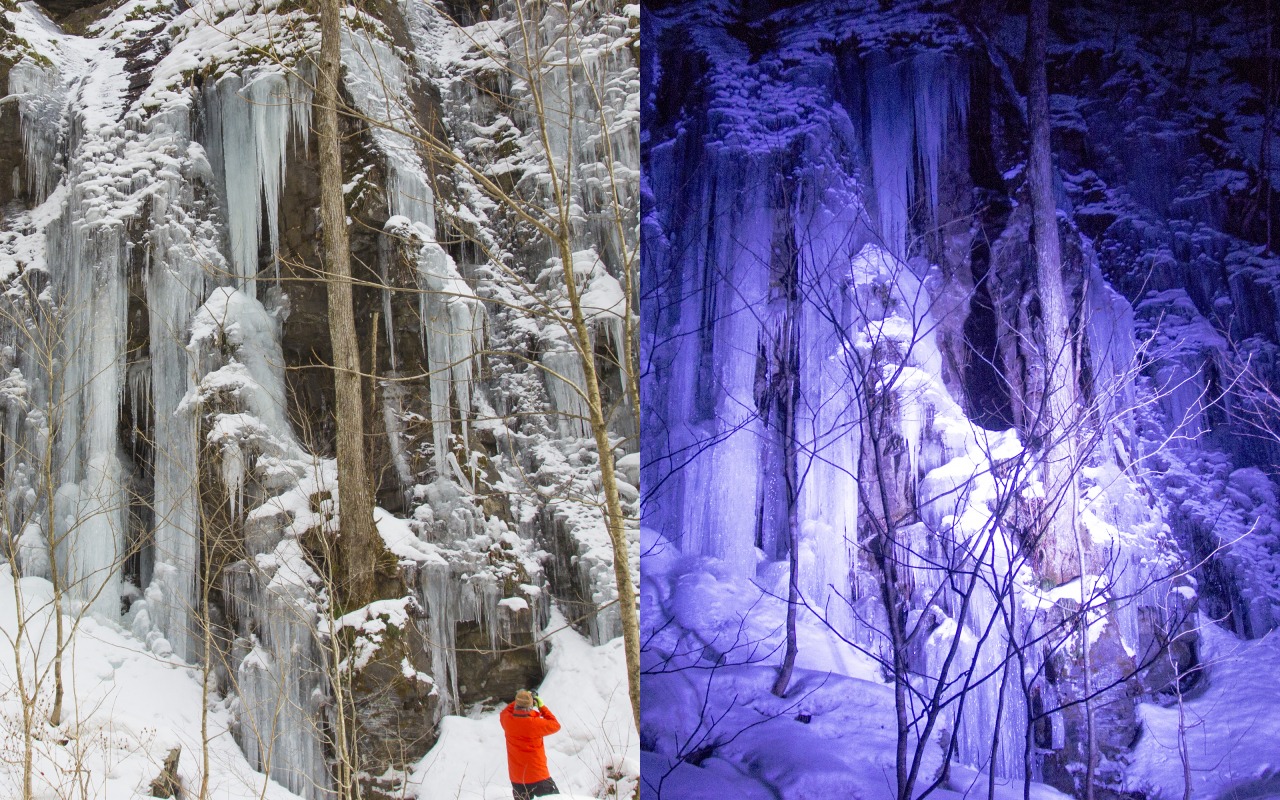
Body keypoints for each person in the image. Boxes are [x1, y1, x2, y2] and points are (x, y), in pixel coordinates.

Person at [500, 689, 562, 799]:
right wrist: (542, 707)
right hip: (538, 775)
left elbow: (505, 711)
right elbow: (555, 725)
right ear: (530, 706)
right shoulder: (535, 724)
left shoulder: (507, 721)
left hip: (517, 778)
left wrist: (521, 699)